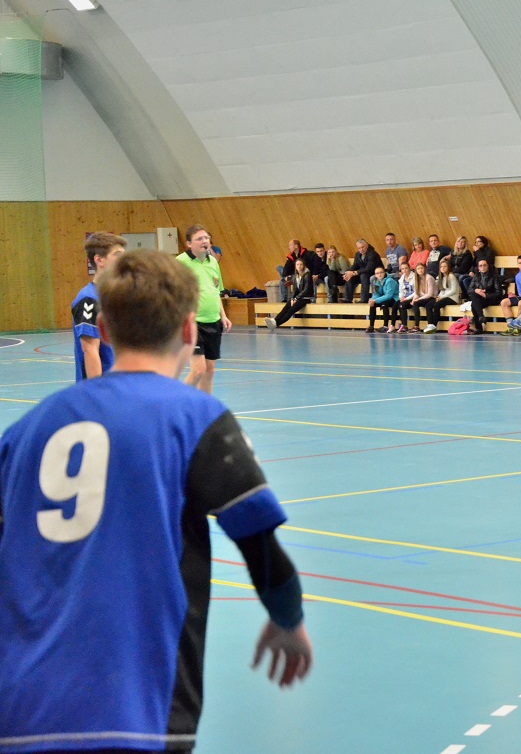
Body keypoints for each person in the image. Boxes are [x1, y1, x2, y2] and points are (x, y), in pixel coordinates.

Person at [0, 249, 312, 753]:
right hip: (139, 707)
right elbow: (261, 548)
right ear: (191, 329)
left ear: (102, 326)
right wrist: (288, 619)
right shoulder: (195, 419)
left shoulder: (26, 430)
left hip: (19, 709)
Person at [177, 225, 231, 395]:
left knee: (209, 371)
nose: (204, 241)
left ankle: (204, 409)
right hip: (191, 323)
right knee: (198, 370)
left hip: (213, 321)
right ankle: (177, 403)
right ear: (188, 244)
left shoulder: (213, 262)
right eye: (199, 239)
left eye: (206, 238)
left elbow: (215, 291)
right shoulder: (180, 263)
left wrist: (223, 315)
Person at [72, 232, 127, 383]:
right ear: (99, 260)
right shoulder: (89, 299)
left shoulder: (117, 295)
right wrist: (98, 394)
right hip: (105, 388)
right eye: (117, 255)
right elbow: (90, 350)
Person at [265, 258, 315, 330]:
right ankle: (274, 320)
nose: (299, 266)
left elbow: (307, 290)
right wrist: (292, 299)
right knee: (287, 306)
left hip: (306, 298)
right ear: (295, 266)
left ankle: (276, 323)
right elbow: (295, 289)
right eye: (297, 264)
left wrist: (296, 298)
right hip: (299, 297)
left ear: (304, 266)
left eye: (301, 264)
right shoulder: (295, 276)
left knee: (291, 310)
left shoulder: (307, 275)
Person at [469, 258, 505, 334]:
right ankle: (481, 316)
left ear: (488, 266)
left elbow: (499, 293)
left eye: (484, 265)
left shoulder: (494, 276)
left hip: (491, 298)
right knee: (474, 300)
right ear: (478, 268)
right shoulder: (476, 276)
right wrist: (476, 290)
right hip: (479, 299)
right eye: (481, 266)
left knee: (474, 304)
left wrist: (486, 295)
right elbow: (469, 290)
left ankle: (479, 327)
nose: (483, 267)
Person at [429, 257, 463, 332]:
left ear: (448, 267)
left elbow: (453, 290)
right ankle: (430, 324)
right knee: (429, 304)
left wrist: (442, 297)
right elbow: (443, 290)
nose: (443, 268)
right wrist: (439, 297)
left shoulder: (451, 276)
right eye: (441, 267)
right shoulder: (442, 277)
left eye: (445, 266)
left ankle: (434, 325)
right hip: (445, 296)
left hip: (453, 298)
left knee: (437, 305)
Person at [366, 266, 399, 334]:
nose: (379, 274)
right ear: (375, 275)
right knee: (373, 305)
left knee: (384, 304)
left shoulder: (390, 281)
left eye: (381, 272)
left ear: (384, 273)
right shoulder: (377, 281)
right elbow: (377, 293)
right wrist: (372, 300)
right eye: (377, 273)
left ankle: (385, 326)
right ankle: (371, 326)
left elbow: (389, 295)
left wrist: (376, 300)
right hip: (385, 297)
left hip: (395, 298)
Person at [393, 261, 418, 333]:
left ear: (409, 268)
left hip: (413, 297)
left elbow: (416, 291)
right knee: (395, 305)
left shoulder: (414, 277)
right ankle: (392, 325)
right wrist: (401, 297)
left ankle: (404, 325)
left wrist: (406, 299)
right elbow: (401, 290)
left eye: (406, 268)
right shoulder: (401, 279)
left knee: (402, 305)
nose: (404, 270)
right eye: (402, 269)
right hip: (405, 298)